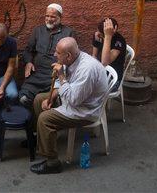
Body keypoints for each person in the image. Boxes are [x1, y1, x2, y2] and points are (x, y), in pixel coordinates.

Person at [30, 37, 109, 174]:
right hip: (74, 98)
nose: (55, 55)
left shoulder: (87, 70)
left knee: (44, 119)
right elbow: (63, 85)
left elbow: (73, 100)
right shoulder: (72, 58)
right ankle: (44, 139)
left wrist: (61, 76)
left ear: (68, 55)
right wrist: (52, 96)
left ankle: (52, 162)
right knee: (38, 99)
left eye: (58, 53)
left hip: (84, 110)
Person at [19, 4, 75, 107]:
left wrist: (62, 72)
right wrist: (28, 62)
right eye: (47, 16)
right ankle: (30, 121)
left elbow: (71, 56)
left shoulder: (68, 32)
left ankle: (42, 120)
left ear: (60, 18)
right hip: (36, 73)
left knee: (46, 101)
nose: (49, 19)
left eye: (53, 17)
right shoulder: (38, 30)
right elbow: (28, 50)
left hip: (54, 75)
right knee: (23, 98)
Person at [92, 17, 127, 91]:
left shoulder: (119, 41)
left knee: (88, 90)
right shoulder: (98, 35)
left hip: (113, 79)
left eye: (101, 33)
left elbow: (105, 62)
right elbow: (94, 56)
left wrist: (108, 36)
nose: (98, 34)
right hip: (100, 72)